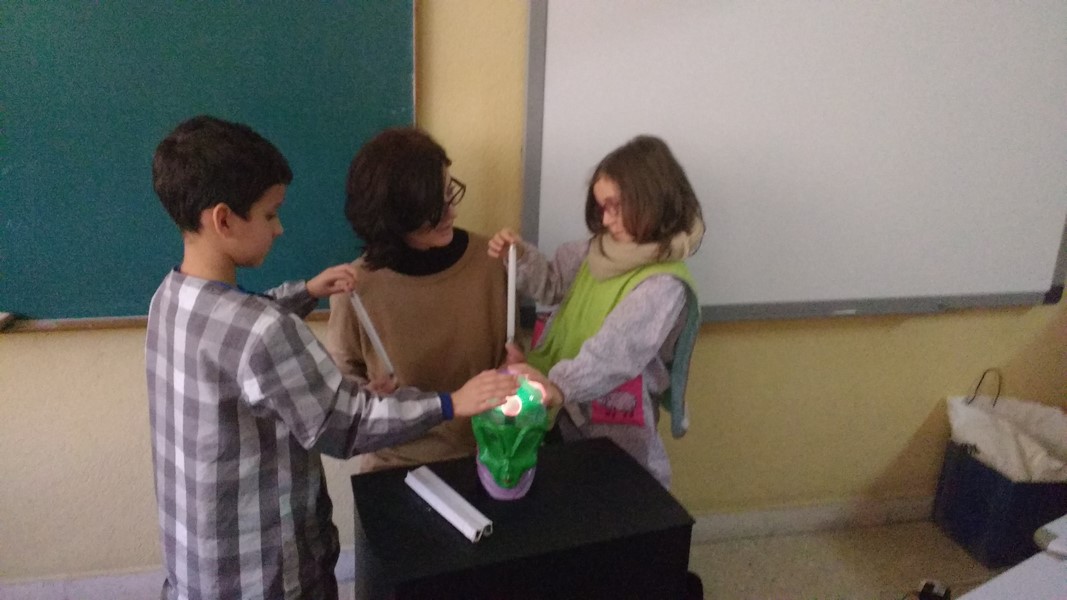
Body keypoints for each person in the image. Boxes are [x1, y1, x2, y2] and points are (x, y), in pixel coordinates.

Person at [146, 115, 522, 600]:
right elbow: (345, 424)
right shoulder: (265, 332)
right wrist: (451, 402)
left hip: (197, 566)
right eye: (270, 215)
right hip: (269, 576)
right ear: (223, 219)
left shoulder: (170, 299)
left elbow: (238, 330)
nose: (280, 228)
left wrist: (306, 291)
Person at [489, 134, 704, 489]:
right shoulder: (593, 250)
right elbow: (552, 285)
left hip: (614, 422)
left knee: (618, 490)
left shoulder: (663, 284)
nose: (606, 220)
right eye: (602, 207)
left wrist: (559, 384)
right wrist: (521, 257)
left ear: (651, 199)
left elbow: (618, 351)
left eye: (616, 207)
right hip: (563, 407)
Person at [325, 127, 518, 473]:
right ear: (394, 214)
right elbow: (343, 388)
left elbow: (512, 353)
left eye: (449, 194)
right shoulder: (355, 286)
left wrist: (516, 369)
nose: (451, 213)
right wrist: (367, 394)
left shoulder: (492, 262)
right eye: (432, 208)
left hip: (488, 457)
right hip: (395, 467)